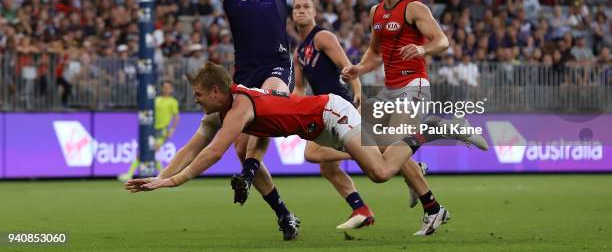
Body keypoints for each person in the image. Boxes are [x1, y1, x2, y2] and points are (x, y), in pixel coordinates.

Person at [124, 63, 483, 224]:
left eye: (199, 95)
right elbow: (190, 149)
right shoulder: (224, 110)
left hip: (330, 113)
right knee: (380, 162)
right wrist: (160, 177)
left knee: (382, 171)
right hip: (317, 128)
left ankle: (436, 128)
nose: (197, 100)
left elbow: (214, 152)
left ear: (217, 91)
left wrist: (171, 182)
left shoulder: (239, 106)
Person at [342, 0, 487, 236]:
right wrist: (359, 68)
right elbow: (374, 53)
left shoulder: (414, 7)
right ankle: (433, 207)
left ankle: (442, 128)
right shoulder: (376, 12)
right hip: (388, 90)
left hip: (413, 87)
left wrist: (421, 48)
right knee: (374, 144)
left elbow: (442, 41)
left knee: (389, 155)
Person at [216, 0, 298, 240]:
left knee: (267, 103)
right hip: (244, 70)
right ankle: (283, 214)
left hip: (276, 65)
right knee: (238, 144)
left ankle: (248, 174)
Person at [292, 0, 374, 229]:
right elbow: (298, 88)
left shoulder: (323, 37)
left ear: (315, 12)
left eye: (306, 6)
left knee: (312, 155)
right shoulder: (298, 52)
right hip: (321, 110)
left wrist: (358, 89)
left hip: (339, 105)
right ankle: (361, 209)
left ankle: (396, 161)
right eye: (297, 7)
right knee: (327, 167)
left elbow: (347, 67)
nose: (301, 10)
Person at [118, 80, 180, 181]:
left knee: (152, 151)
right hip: (151, 130)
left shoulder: (173, 102)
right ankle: (131, 174)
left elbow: (176, 117)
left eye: (168, 87)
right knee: (143, 153)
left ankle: (162, 175)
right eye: (164, 87)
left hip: (161, 131)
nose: (166, 89)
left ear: (171, 89)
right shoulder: (157, 100)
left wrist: (172, 130)